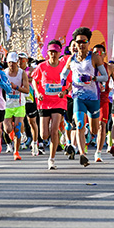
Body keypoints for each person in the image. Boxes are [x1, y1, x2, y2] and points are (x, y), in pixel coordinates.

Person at [62, 28, 108, 166]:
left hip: (93, 98)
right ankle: (82, 154)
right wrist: (63, 80)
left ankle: (88, 130)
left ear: (88, 43)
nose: (81, 44)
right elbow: (64, 73)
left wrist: (92, 78)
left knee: (94, 129)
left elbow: (105, 77)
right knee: (79, 124)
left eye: (84, 41)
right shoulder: (72, 58)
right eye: (78, 42)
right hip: (78, 96)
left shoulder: (94, 57)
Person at [31, 40, 68, 170]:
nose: (53, 54)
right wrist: (37, 93)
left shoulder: (64, 67)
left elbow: (69, 83)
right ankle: (59, 132)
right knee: (44, 135)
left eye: (56, 52)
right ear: (47, 53)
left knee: (53, 130)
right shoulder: (42, 66)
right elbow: (34, 80)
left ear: (59, 52)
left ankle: (51, 159)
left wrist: (65, 92)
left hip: (59, 101)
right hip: (44, 102)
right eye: (51, 52)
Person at [4, 52, 30, 161]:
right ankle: (13, 135)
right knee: (7, 129)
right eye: (9, 62)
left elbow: (27, 90)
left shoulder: (22, 73)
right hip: (7, 105)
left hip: (19, 104)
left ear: (17, 62)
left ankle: (16, 151)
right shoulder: (4, 73)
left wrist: (16, 87)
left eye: (13, 62)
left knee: (17, 129)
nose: (11, 64)